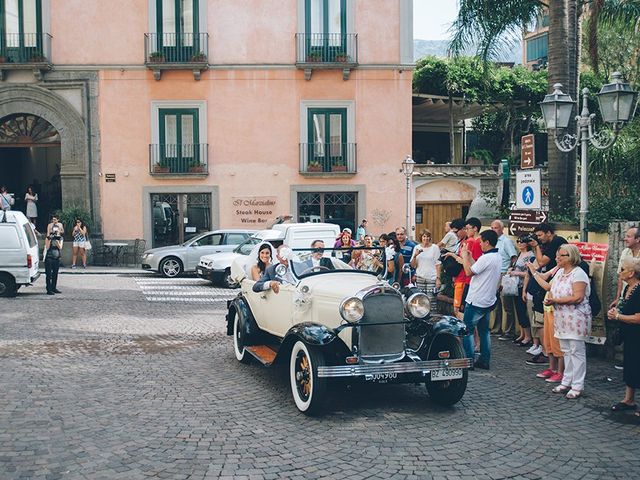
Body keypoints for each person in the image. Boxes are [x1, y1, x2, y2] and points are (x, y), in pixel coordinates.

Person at [534, 244, 591, 398]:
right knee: (566, 350)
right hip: (561, 317)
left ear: (571, 257)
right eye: (557, 255)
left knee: (576, 351)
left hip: (576, 318)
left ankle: (577, 385)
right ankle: (567, 381)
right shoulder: (559, 272)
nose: (557, 258)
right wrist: (535, 274)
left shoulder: (578, 274)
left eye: (561, 255)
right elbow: (548, 287)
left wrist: (556, 301)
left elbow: (578, 297)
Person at [525, 222, 568, 366]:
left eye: (540, 235)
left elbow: (541, 262)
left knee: (544, 322)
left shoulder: (557, 242)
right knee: (540, 320)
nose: (539, 238)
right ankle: (547, 353)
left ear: (549, 232)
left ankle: (549, 355)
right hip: (546, 283)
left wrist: (536, 246)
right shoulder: (550, 244)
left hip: (552, 288)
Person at [460, 229, 502, 369]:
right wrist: (471, 257)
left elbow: (468, 272)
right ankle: (484, 360)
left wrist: (464, 256)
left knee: (467, 330)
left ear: (487, 242)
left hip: (476, 299)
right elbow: (478, 267)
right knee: (484, 332)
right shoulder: (496, 257)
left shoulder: (486, 258)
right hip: (488, 299)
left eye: (481, 242)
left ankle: (468, 361)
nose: (480, 245)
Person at [608, 257, 640, 415]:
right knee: (630, 365)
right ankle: (629, 399)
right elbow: (624, 308)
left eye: (622, 270)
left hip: (637, 334)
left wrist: (618, 317)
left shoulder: (639, 290)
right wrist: (615, 312)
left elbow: (638, 317)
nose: (619, 272)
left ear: (632, 273)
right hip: (630, 335)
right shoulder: (629, 288)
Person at [490, 219, 518, 339]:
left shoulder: (506, 241)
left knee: (506, 304)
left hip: (503, 273)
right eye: (492, 228)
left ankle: (509, 331)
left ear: (502, 229)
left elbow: (513, 257)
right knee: (495, 303)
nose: (493, 230)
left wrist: (509, 271)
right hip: (494, 274)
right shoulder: (493, 241)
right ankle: (496, 328)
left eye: (496, 228)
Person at [508, 236, 535, 347]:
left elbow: (530, 272)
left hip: (523, 285)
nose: (519, 243)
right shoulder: (520, 254)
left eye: (522, 241)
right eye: (518, 241)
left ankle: (528, 336)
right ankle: (523, 334)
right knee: (518, 310)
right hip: (516, 285)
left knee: (523, 311)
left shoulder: (530, 256)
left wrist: (516, 273)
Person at [410, 229, 441, 311]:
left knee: (431, 301)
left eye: (428, 236)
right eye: (424, 236)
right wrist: (415, 256)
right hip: (420, 277)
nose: (426, 238)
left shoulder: (435, 248)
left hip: (431, 278)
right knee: (420, 301)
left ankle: (432, 319)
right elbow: (413, 265)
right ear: (421, 237)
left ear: (430, 238)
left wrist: (438, 279)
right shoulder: (417, 247)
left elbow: (438, 264)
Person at [44, 215, 64, 295]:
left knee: (55, 273)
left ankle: (54, 287)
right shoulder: (48, 238)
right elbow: (48, 247)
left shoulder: (60, 238)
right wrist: (50, 238)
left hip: (56, 256)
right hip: (49, 257)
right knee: (48, 274)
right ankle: (48, 289)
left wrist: (56, 240)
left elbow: (60, 247)